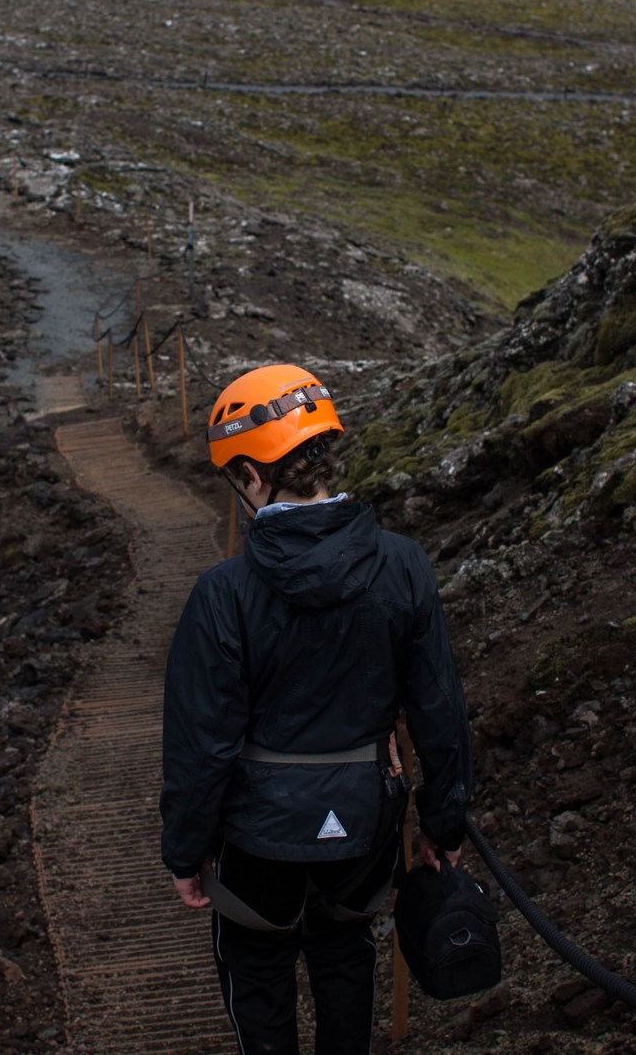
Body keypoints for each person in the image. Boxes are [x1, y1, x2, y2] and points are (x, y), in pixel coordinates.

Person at [161, 362, 473, 1055]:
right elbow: (438, 711)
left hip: (256, 840)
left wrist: (185, 848)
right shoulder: (403, 565)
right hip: (363, 825)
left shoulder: (223, 594)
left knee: (258, 973)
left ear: (248, 472)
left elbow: (202, 743)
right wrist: (445, 821)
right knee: (344, 953)